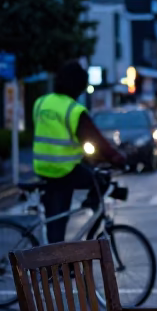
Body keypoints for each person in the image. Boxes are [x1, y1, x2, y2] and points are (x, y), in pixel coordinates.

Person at [32, 61, 127, 243]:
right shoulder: (73, 110)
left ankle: (58, 266)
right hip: (64, 170)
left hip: (42, 168)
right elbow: (96, 141)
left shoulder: (41, 103)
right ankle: (90, 207)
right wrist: (117, 158)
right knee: (101, 180)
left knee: (56, 222)